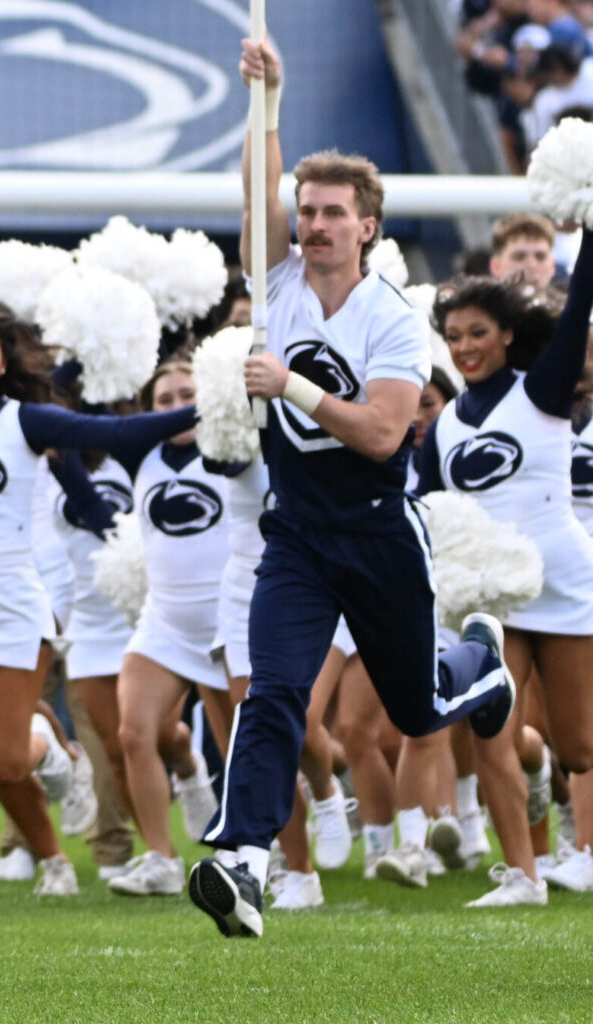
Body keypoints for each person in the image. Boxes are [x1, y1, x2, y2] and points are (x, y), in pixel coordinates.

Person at [193, 40, 516, 938]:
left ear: (369, 225)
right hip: (296, 537)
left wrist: (289, 386)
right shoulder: (278, 280)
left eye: (335, 213)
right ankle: (246, 863)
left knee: (416, 707)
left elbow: (382, 432)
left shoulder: (396, 319)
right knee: (274, 697)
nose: (316, 225)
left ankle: (478, 668)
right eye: (309, 212)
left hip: (377, 533)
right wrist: (271, 100)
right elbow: (255, 194)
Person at [0, 299, 198, 900]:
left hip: (11, 605)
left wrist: (209, 410)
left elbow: (116, 432)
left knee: (5, 764)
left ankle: (51, 772)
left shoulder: (28, 420)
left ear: (3, 363)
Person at [415, 251, 593, 905]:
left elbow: (577, 312)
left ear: (508, 334)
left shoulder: (542, 388)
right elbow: (429, 509)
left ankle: (587, 848)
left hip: (564, 579)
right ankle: (522, 874)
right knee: (492, 725)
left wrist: (589, 229)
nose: (464, 348)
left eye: (477, 333)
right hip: (492, 594)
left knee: (578, 743)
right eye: (454, 336)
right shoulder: (443, 428)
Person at [108, 361, 232, 897]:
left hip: (231, 617)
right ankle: (159, 857)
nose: (179, 406)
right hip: (166, 619)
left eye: (190, 394)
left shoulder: (236, 448)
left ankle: (257, 843)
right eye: (165, 399)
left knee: (250, 743)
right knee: (134, 732)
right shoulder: (144, 452)